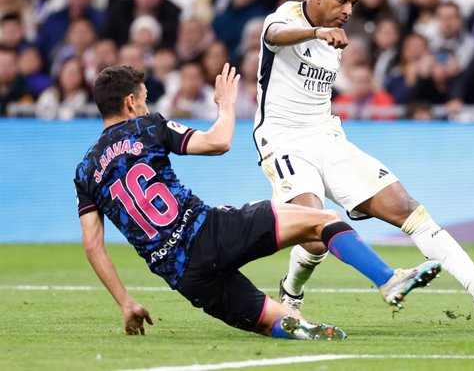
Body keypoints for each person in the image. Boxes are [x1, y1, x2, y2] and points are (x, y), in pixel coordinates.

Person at [75, 63, 441, 340]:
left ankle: (296, 328)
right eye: (143, 100)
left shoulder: (85, 170)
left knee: (272, 320)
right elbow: (217, 142)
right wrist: (227, 104)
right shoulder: (146, 127)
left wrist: (126, 302)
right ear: (130, 102)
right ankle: (387, 279)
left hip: (181, 275)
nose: (145, 105)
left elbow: (93, 246)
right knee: (322, 220)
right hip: (208, 232)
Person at [253, 0, 474, 316]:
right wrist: (316, 33)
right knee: (314, 230)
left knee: (407, 208)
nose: (348, 10)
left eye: (353, 3)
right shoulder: (286, 18)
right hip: (283, 141)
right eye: (341, 0)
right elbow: (274, 37)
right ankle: (292, 291)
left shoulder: (338, 39)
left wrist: (325, 35)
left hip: (327, 136)